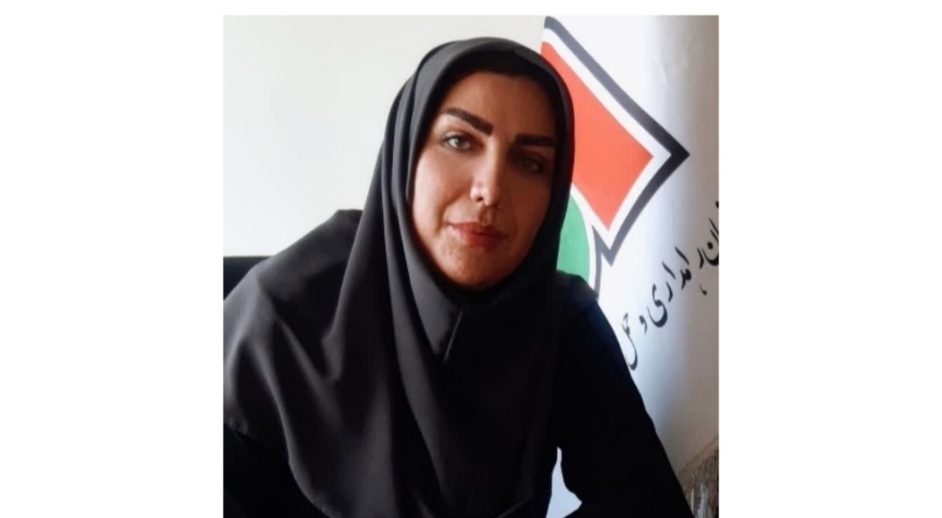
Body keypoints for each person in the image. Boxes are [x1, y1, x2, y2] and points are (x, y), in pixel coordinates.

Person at [224, 36, 693, 518]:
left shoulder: (561, 324)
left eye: (529, 162)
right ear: (406, 155)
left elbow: (647, 505)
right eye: (459, 141)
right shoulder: (280, 319)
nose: (491, 189)